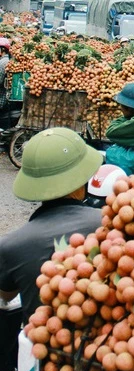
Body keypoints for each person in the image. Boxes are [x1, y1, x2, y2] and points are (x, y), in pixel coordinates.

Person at [0, 127, 103, 326]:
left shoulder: (11, 245)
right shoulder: (110, 225)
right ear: (83, 177)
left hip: (43, 347)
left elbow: (6, 294)